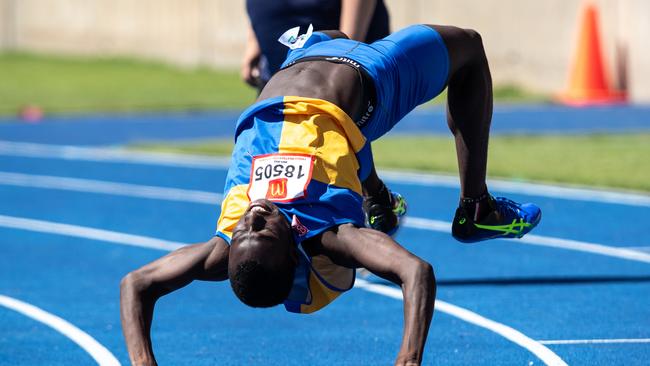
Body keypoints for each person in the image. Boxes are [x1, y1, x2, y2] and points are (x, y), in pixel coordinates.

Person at [120, 24, 542, 366]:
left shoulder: (224, 245)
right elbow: (416, 272)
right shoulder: (331, 236)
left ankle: (376, 197)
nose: (254, 217)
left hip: (302, 59)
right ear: (293, 251)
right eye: (264, 231)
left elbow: (136, 283)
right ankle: (476, 208)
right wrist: (408, 359)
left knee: (335, 45)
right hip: (368, 80)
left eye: (245, 227)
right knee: (468, 47)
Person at [242, 0, 390, 91]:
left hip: (324, 79)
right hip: (273, 72)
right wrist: (253, 41)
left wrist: (345, 57)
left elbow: (348, 43)